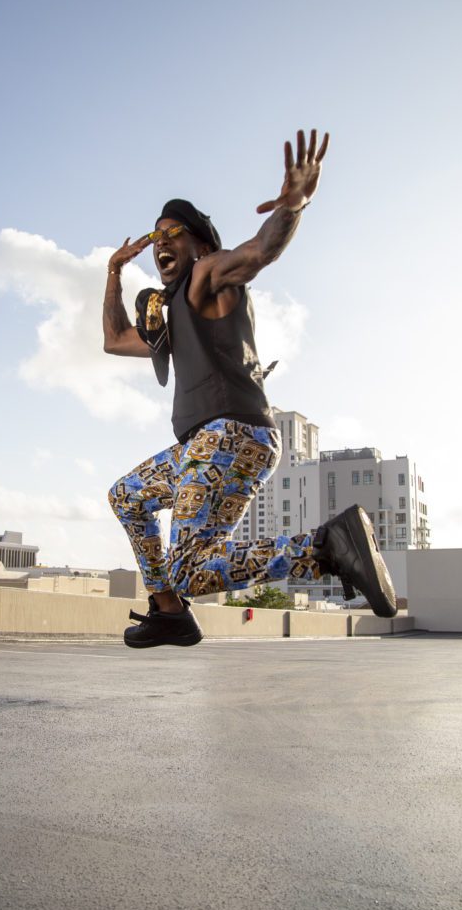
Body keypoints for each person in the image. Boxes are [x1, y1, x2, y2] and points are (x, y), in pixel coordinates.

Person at [103, 128, 396, 648]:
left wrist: (294, 206)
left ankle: (324, 547)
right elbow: (114, 340)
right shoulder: (171, 314)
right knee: (127, 496)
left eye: (172, 234)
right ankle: (168, 609)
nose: (162, 245)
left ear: (200, 244)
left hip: (229, 435)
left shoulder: (207, 277)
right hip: (202, 446)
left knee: (192, 569)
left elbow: (260, 250)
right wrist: (112, 273)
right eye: (154, 239)